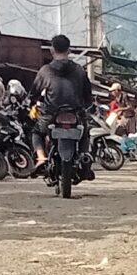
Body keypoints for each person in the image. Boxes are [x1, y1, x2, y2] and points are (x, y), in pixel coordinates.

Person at [32, 34, 95, 185]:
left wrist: (30, 102)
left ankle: (41, 157)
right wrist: (88, 107)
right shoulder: (79, 70)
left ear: (52, 50)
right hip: (76, 113)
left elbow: (33, 93)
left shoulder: (45, 71)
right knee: (85, 133)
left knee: (37, 132)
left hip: (51, 114)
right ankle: (84, 155)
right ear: (69, 50)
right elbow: (88, 96)